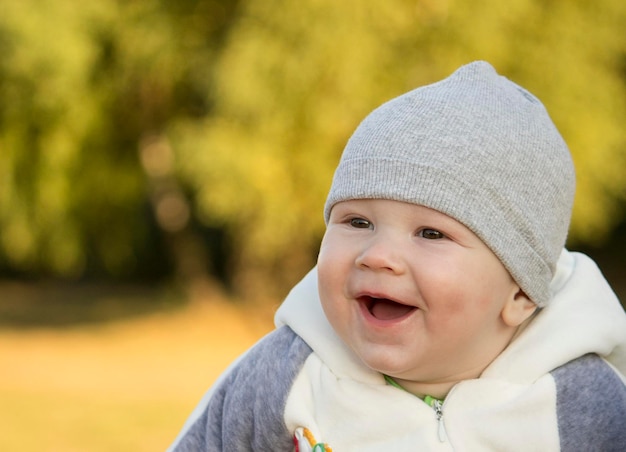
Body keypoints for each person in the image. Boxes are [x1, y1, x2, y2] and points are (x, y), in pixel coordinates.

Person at [169, 61, 626, 451]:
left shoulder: (581, 401)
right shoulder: (287, 374)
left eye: (430, 233)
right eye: (357, 222)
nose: (378, 255)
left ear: (521, 294)